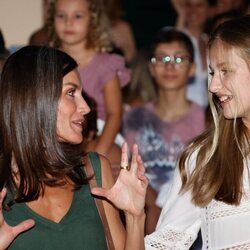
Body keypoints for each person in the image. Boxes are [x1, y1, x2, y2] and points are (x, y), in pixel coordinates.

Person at [0, 45, 147, 250]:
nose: (85, 107)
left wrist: (134, 217)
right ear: (36, 98)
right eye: (71, 92)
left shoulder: (93, 170)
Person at [143, 15, 250, 248]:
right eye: (212, 72)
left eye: (225, 71)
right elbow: (163, 245)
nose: (213, 86)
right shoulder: (203, 158)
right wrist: (134, 217)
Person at [122, 28, 206, 235]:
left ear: (193, 68)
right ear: (151, 67)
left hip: (191, 223)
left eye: (179, 59)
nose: (169, 65)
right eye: (162, 58)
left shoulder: (207, 120)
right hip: (143, 217)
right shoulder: (134, 117)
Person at [50, 0, 131, 156]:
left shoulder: (105, 65)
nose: (68, 22)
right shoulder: (48, 62)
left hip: (101, 134)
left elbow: (114, 114)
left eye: (78, 16)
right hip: (59, 132)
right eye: (61, 16)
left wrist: (98, 152)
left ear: (93, 21)